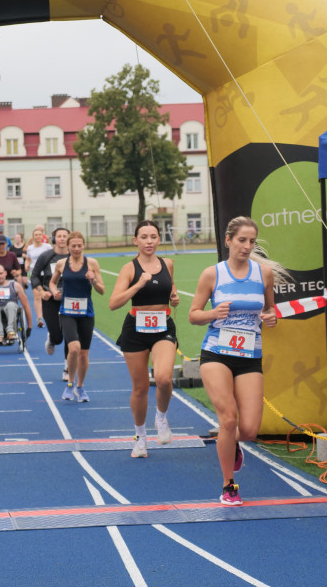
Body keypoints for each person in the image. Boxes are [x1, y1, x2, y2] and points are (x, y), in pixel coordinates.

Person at [188, 216, 287, 506]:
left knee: (249, 430)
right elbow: (194, 314)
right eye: (242, 240)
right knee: (228, 419)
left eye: (252, 241)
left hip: (249, 357)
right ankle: (228, 484)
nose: (247, 246)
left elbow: (271, 310)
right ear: (229, 240)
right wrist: (211, 314)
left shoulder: (263, 273)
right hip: (216, 354)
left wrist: (271, 318)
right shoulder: (212, 275)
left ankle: (232, 446)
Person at [109, 220, 180, 458]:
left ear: (159, 239)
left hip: (162, 327)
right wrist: (138, 285)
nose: (149, 241)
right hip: (135, 330)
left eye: (153, 236)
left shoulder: (168, 263)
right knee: (140, 388)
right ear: (135, 241)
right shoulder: (129, 268)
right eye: (144, 237)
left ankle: (161, 418)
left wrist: (174, 296)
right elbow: (113, 303)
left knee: (163, 379)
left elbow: (170, 289)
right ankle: (140, 437)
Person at [49, 230, 105, 402]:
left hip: (86, 313)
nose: (76, 249)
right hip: (67, 312)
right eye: (73, 246)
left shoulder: (92, 263)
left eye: (79, 246)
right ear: (68, 246)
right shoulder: (61, 264)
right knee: (74, 348)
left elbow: (102, 290)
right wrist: (54, 292)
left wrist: (93, 280)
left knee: (84, 354)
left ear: (84, 246)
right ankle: (70, 385)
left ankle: (80, 387)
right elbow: (52, 282)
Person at [31, 227, 71, 382]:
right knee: (58, 336)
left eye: (64, 236)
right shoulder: (46, 256)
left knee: (70, 334)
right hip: (50, 299)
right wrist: (41, 292)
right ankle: (52, 337)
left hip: (70, 300)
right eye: (59, 236)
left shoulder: (74, 256)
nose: (62, 239)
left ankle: (67, 368)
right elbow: (34, 275)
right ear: (54, 239)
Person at [24, 225, 51, 328]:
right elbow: (28, 259)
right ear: (33, 236)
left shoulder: (47, 247)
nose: (38, 236)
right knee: (37, 295)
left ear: (42, 236)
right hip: (35, 275)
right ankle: (40, 319)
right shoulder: (30, 248)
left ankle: (49, 316)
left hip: (47, 275)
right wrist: (26, 265)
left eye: (40, 234)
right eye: (36, 235)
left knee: (48, 296)